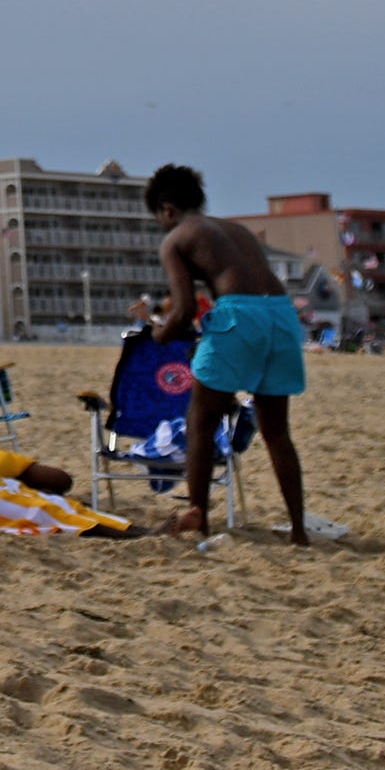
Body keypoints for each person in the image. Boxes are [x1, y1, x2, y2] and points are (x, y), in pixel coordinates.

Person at [146, 164, 310, 545]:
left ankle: (199, 519)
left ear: (167, 209)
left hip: (239, 315)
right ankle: (299, 531)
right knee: (277, 431)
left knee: (202, 419)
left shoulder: (176, 239)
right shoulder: (235, 230)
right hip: (282, 315)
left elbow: (184, 309)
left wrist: (159, 334)